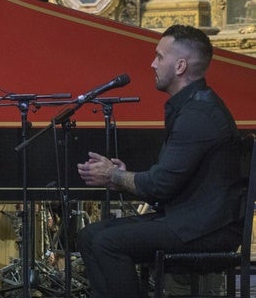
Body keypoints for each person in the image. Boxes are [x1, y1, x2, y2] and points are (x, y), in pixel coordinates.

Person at [76, 25, 242, 298]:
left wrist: (115, 176)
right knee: (88, 236)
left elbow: (161, 185)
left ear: (180, 66)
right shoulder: (192, 106)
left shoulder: (198, 114)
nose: (153, 64)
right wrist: (122, 176)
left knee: (106, 243)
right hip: (190, 220)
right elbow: (168, 180)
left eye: (159, 57)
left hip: (205, 229)